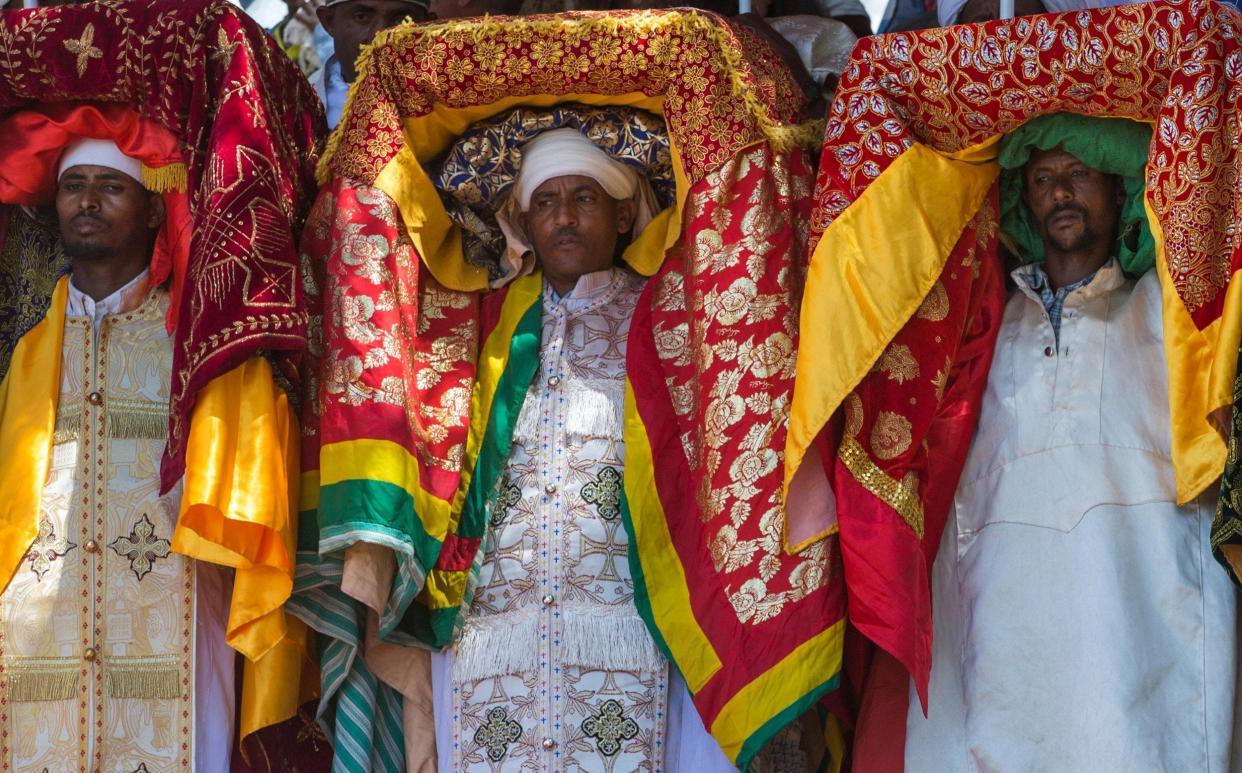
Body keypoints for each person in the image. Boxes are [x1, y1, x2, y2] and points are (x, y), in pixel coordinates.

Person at [903, 113, 1239, 771]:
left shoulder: (1167, 313)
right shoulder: (984, 327)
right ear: (1024, 201)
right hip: (1003, 620)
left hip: (1144, 618)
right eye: (1042, 178)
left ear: (1119, 191)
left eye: (1078, 173)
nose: (1060, 192)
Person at [427, 127, 737, 771]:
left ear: (625, 213)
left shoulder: (669, 320)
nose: (563, 217)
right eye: (545, 202)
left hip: (636, 632)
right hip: (494, 636)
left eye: (584, 198)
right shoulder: (486, 327)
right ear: (524, 220)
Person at [0, 138, 236, 771]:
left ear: (154, 210)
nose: (88, 200)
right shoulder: (19, 351)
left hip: (179, 627)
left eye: (111, 186)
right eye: (75, 184)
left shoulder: (195, 347)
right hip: (29, 647)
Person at [316, 0, 430, 128]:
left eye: (401, 20)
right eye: (361, 17)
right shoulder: (298, 113)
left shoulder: (453, 113)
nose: (379, 38)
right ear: (329, 21)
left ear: (428, 25)